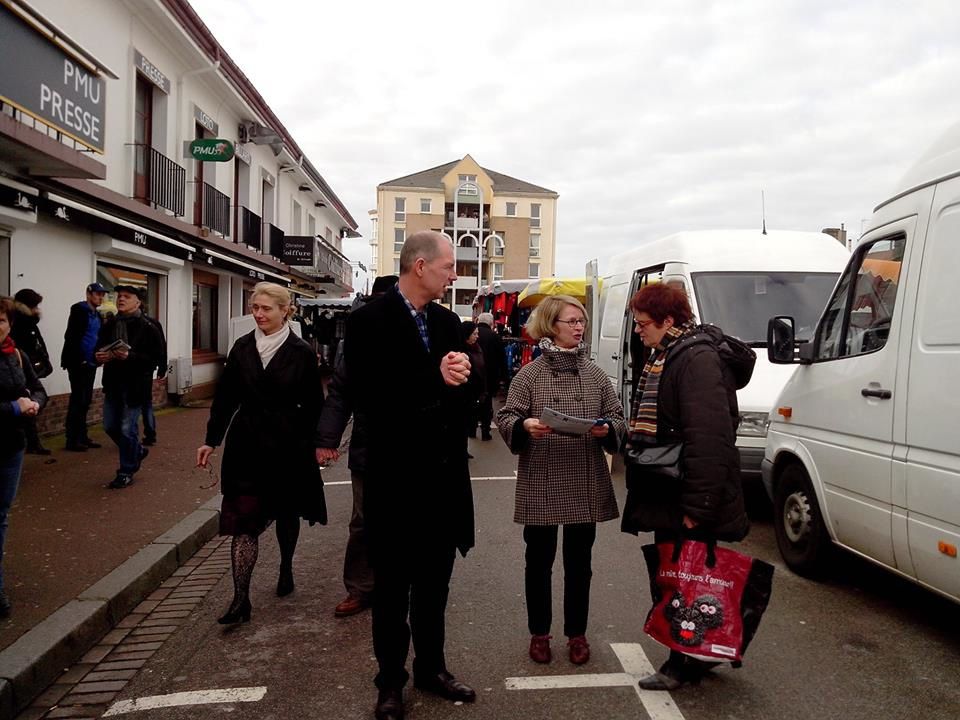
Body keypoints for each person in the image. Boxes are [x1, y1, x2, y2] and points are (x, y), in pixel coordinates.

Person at [338, 230, 475, 720]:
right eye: (448, 266)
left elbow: (459, 399)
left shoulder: (447, 321)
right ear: (419, 266)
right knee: (393, 589)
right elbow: (372, 396)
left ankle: (432, 669)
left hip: (442, 480)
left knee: (435, 585)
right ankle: (390, 682)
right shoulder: (368, 321)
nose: (454, 274)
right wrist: (435, 377)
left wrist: (464, 373)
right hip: (394, 480)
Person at [620, 283, 749, 691]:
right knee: (678, 574)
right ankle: (697, 651)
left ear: (669, 321)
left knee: (684, 579)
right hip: (673, 490)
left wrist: (700, 506)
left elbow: (711, 439)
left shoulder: (694, 360)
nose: (638, 332)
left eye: (643, 324)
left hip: (686, 495)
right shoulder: (670, 354)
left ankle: (682, 663)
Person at [495, 295, 625, 666]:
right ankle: (539, 633)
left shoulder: (595, 372)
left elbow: (617, 416)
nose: (579, 327)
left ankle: (577, 634)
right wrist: (524, 425)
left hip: (584, 474)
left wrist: (608, 430)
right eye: (572, 321)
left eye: (581, 321)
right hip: (542, 477)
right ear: (552, 326)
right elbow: (506, 416)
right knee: (538, 562)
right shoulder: (529, 374)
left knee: (579, 563)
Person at [198, 282, 326, 625]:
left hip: (288, 447)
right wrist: (212, 440)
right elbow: (225, 399)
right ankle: (241, 600)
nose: (259, 314)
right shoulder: (241, 348)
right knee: (244, 522)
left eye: (266, 308)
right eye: (255, 308)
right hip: (247, 445)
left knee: (286, 513)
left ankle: (285, 567)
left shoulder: (300, 352)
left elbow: (315, 404)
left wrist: (319, 444)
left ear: (286, 311)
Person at [317, 274, 397, 619]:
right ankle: (360, 588)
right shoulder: (360, 333)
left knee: (404, 520)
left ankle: (396, 584)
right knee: (364, 520)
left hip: (414, 448)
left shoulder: (421, 327)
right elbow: (341, 391)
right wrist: (326, 440)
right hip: (370, 443)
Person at [0, 296, 47, 617]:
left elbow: (37, 387)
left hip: (11, 447)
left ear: (9, 324)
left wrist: (36, 403)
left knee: (0, 517)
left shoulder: (16, 355)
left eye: (1, 320)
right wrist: (14, 407)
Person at [95, 285, 163, 489]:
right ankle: (137, 450)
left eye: (126, 296)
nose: (121, 299)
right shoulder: (110, 324)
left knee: (126, 429)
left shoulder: (150, 326)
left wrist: (130, 356)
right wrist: (98, 356)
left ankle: (126, 470)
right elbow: (98, 348)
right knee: (109, 426)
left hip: (135, 387)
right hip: (113, 384)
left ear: (138, 302)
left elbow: (155, 358)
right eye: (118, 296)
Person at [62, 283, 107, 452]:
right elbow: (72, 337)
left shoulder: (97, 315)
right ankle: (72, 439)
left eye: (102, 295)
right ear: (89, 294)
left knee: (85, 400)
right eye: (97, 294)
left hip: (91, 363)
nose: (100, 297)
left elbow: (97, 338)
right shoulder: (79, 311)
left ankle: (82, 436)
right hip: (78, 363)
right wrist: (79, 359)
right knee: (78, 400)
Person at [10, 289, 53, 455]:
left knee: (33, 402)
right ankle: (31, 442)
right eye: (35, 305)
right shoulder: (20, 321)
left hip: (29, 368)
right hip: (20, 370)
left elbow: (37, 343)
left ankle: (32, 442)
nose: (38, 309)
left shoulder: (29, 321)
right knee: (28, 403)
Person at [139, 305, 167, 447]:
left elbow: (161, 345)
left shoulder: (151, 324)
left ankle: (133, 435)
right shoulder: (154, 323)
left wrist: (162, 366)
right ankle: (150, 434)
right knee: (146, 402)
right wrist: (162, 367)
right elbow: (163, 346)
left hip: (144, 369)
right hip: (147, 369)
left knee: (141, 402)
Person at [475, 311, 506, 440]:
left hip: (473, 373)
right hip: (490, 376)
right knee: (487, 403)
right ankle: (485, 431)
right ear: (491, 323)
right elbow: (502, 358)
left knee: (473, 400)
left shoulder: (472, 334)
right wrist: (504, 376)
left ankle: (471, 429)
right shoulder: (495, 337)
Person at [459, 321, 486, 444]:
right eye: (474, 334)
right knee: (464, 420)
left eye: (477, 333)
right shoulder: (461, 350)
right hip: (465, 391)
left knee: (470, 418)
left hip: (475, 390)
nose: (477, 336)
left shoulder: (477, 348)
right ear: (467, 334)